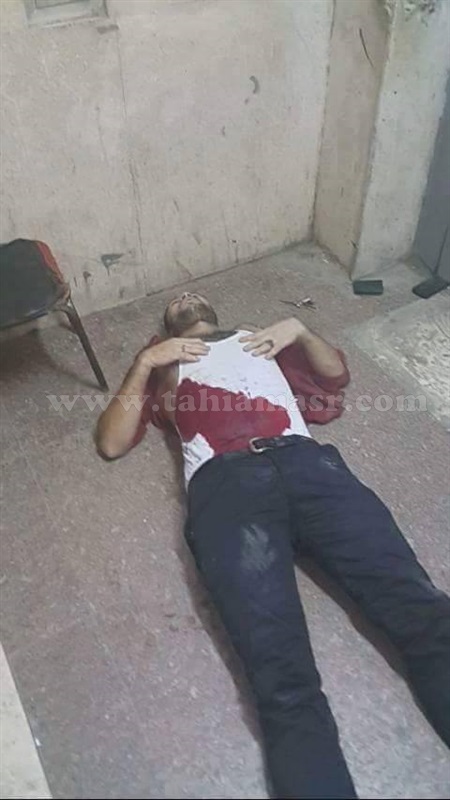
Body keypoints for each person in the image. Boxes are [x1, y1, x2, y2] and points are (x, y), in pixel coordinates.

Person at [96, 292, 450, 799]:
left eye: (195, 294)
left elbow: (336, 376)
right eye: (177, 301)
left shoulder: (257, 339)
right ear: (168, 326)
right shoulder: (166, 362)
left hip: (309, 466)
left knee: (425, 613)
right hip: (227, 486)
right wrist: (146, 362)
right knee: (282, 681)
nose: (187, 295)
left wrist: (299, 329)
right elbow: (111, 442)